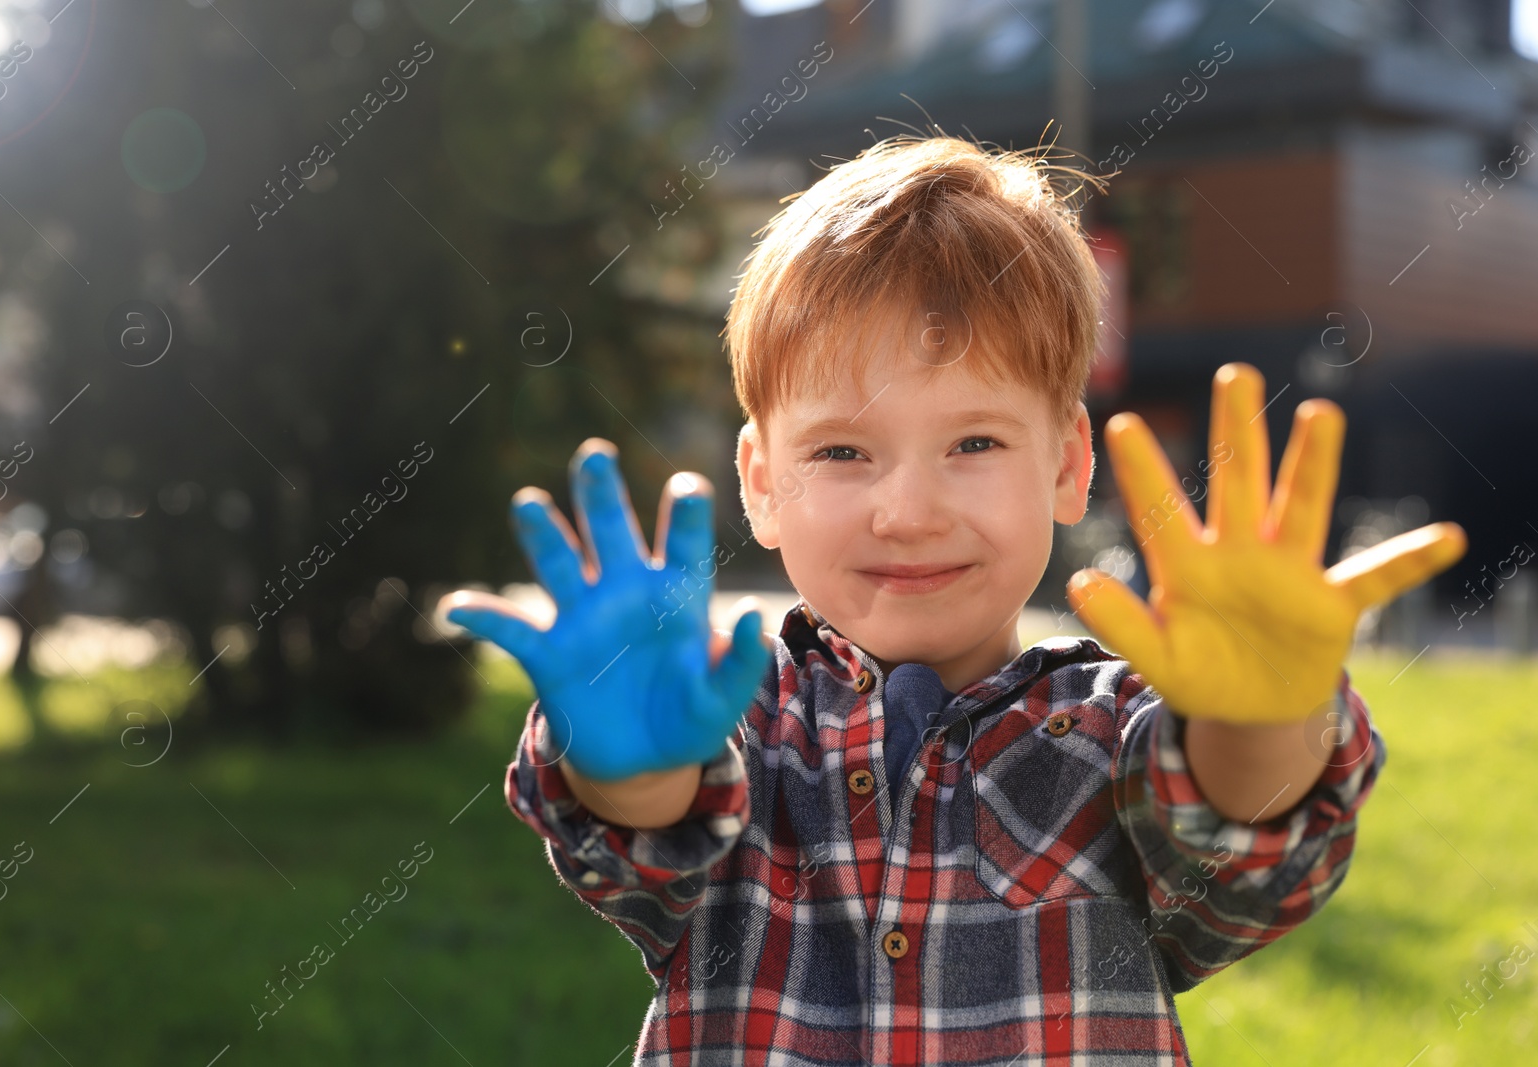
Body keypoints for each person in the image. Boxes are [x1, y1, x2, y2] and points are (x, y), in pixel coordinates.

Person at [439, 134, 1466, 1065]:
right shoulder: (736, 711)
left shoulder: (1116, 730)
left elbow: (1241, 849)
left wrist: (1257, 715)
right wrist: (636, 763)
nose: (908, 509)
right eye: (842, 450)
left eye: (973, 443)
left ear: (1066, 462)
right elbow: (645, 846)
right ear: (759, 482)